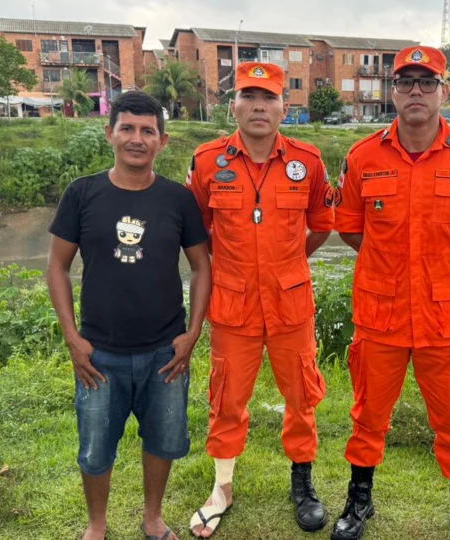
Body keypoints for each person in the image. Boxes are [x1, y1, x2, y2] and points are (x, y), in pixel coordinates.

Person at [332, 46, 450, 540]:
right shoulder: (362, 156)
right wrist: (391, 261)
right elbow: (349, 227)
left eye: (426, 82)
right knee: (368, 416)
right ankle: (358, 503)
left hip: (445, 317)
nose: (416, 91)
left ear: (443, 92)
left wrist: (447, 260)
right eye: (406, 82)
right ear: (392, 92)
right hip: (380, 313)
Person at [46, 91, 212, 540]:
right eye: (127, 129)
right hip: (99, 354)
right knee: (96, 449)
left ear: (163, 141)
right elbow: (57, 267)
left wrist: (192, 332)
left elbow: (201, 267)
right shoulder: (82, 194)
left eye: (147, 131)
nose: (136, 139)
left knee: (162, 441)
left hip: (166, 351)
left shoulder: (178, 199)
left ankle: (153, 518)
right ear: (110, 134)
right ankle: (96, 525)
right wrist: (72, 338)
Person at [186, 62, 336, 537]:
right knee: (227, 397)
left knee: (301, 395)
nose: (258, 106)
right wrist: (232, 272)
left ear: (283, 107)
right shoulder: (209, 160)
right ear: (233, 105)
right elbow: (197, 234)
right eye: (248, 95)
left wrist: (288, 264)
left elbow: (323, 225)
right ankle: (222, 489)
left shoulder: (308, 161)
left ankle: (303, 485)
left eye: (268, 97)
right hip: (232, 306)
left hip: (291, 305)